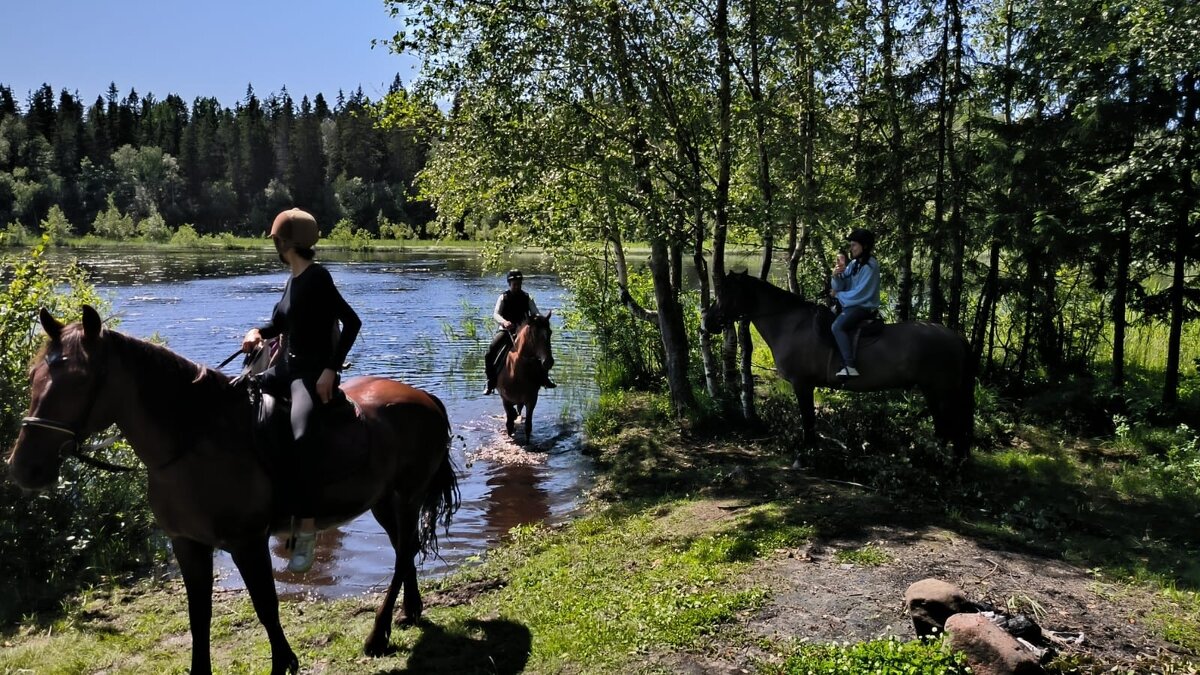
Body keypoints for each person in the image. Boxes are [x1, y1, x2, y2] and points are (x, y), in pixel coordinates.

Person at [241, 208, 362, 573]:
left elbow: (352, 322)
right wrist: (257, 332)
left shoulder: (318, 278)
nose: (275, 247)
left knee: (302, 436)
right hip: (285, 368)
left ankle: (307, 530)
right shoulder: (293, 279)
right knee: (239, 397)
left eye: (276, 241)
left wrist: (331, 369)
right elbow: (279, 323)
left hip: (309, 374)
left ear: (284, 243)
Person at [483, 269, 555, 394]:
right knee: (490, 352)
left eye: (519, 283)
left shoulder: (527, 297)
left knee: (542, 349)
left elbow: (535, 312)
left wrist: (539, 319)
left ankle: (544, 378)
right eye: (514, 284)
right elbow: (496, 314)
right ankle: (491, 381)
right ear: (509, 284)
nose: (517, 286)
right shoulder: (503, 297)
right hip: (506, 331)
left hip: (525, 332)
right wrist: (504, 322)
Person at [829, 228, 880, 377]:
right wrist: (836, 274)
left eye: (854, 245)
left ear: (864, 246)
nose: (851, 249)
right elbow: (840, 285)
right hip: (851, 304)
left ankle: (850, 365)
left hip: (861, 306)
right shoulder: (854, 264)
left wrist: (838, 295)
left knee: (837, 326)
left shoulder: (871, 266)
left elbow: (861, 293)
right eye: (850, 245)